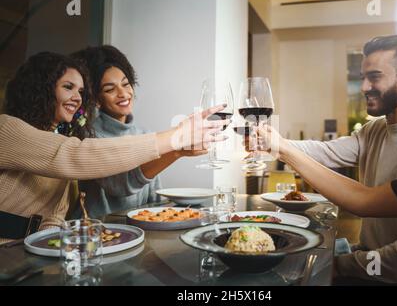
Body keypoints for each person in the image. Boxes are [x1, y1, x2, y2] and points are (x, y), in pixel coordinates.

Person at [258, 22, 397, 285]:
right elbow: (326, 154)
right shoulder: (375, 130)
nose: (363, 88)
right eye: (363, 77)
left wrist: (339, 265)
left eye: (375, 76)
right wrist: (275, 143)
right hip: (366, 257)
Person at [0, 52, 229, 243]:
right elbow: (75, 155)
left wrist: (51, 251)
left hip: (29, 251)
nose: (77, 98)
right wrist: (174, 137)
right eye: (68, 87)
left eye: (80, 91)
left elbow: (54, 217)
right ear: (41, 89)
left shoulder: (62, 136)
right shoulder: (7, 129)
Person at [69, 45, 206, 218]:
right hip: (96, 234)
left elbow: (154, 201)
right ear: (96, 99)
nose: (123, 93)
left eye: (126, 84)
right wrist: (176, 150)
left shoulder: (144, 133)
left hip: (137, 233)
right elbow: (121, 186)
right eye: (110, 89)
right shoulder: (89, 136)